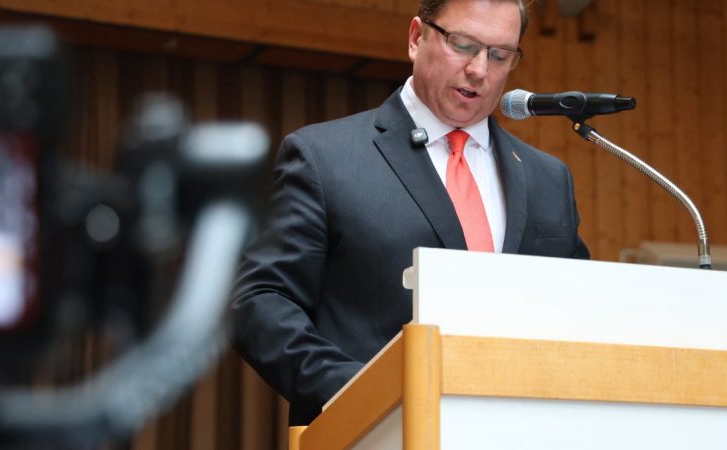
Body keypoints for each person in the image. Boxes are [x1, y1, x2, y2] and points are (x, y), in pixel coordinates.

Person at [230, 0, 590, 426]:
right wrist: (359, 392)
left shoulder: (548, 178)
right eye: (463, 45)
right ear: (417, 38)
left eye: (499, 55)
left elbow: (580, 312)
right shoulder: (325, 158)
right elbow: (260, 300)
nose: (479, 69)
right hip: (375, 430)